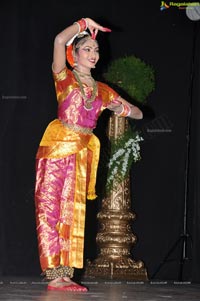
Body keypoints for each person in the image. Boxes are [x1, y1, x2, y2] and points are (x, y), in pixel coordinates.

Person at [34, 17, 143, 292]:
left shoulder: (103, 91)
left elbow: (139, 112)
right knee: (50, 207)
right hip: (57, 147)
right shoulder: (64, 76)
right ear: (75, 54)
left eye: (96, 50)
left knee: (73, 212)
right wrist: (83, 24)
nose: (93, 54)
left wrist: (122, 109)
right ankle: (53, 273)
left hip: (81, 152)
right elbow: (59, 40)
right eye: (87, 49)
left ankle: (65, 273)